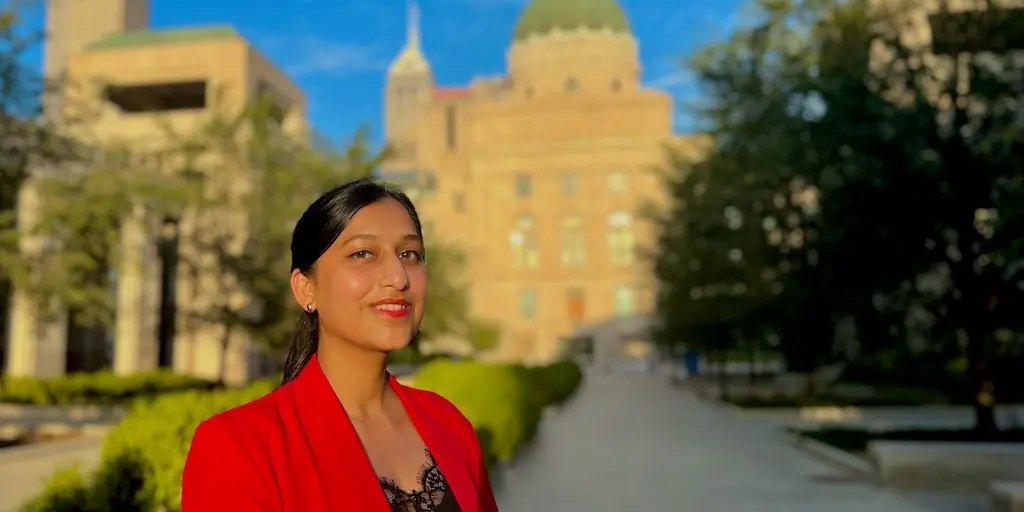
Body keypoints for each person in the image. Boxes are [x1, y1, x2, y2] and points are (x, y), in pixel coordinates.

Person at [181, 178, 499, 512]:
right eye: (363, 253)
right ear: (306, 289)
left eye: (409, 254)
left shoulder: (449, 423)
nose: (398, 277)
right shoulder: (239, 448)